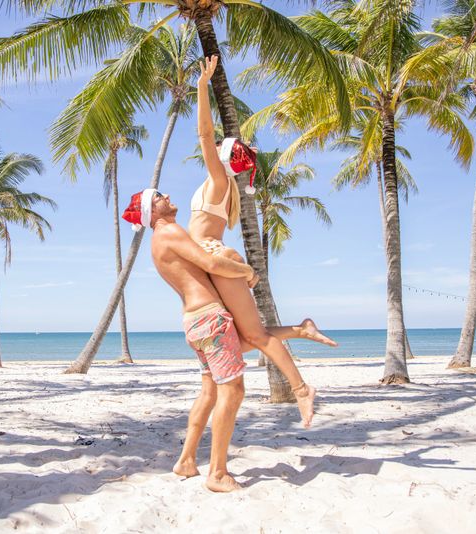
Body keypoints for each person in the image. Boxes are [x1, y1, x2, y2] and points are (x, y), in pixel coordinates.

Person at [190, 55, 337, 428]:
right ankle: (301, 329)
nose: (214, 147)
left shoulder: (220, 182)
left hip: (215, 257)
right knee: (241, 340)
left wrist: (202, 88)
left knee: (252, 334)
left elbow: (204, 134)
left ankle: (302, 389)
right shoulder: (225, 188)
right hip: (213, 259)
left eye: (220, 149)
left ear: (222, 159)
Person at [122, 188, 256, 492]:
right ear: (152, 213)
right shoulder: (169, 231)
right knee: (232, 391)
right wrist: (247, 271)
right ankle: (218, 473)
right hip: (210, 319)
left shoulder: (159, 241)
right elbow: (212, 264)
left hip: (195, 321)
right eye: (158, 196)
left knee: (209, 392)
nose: (167, 195)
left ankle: (186, 460)